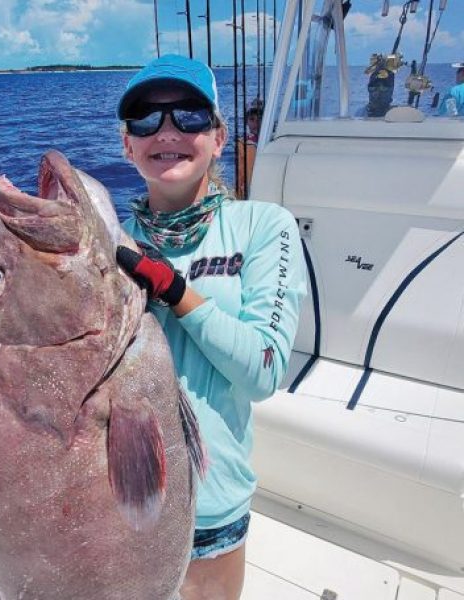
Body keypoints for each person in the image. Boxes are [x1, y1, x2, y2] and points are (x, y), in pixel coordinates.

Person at [115, 54, 307, 600]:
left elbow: (264, 372)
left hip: (211, 499)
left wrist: (175, 292)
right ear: (128, 145)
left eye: (190, 116)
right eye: (146, 120)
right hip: (115, 500)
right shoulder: (109, 244)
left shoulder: (263, 226)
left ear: (220, 138)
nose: (167, 132)